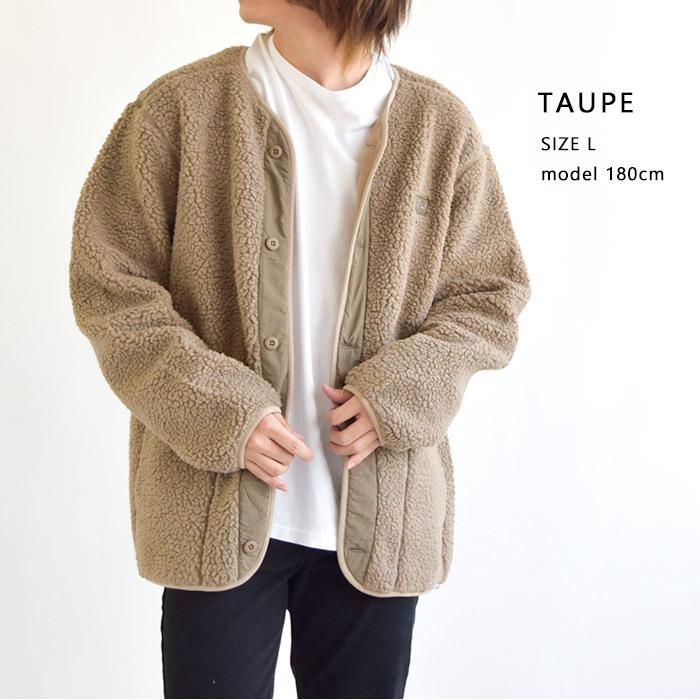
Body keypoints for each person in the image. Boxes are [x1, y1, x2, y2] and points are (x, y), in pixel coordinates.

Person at [68, 0, 531, 697]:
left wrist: (400, 396)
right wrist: (221, 411)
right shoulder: (179, 111)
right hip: (214, 507)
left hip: (380, 521)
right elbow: (111, 287)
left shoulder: (440, 129)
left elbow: (489, 296)